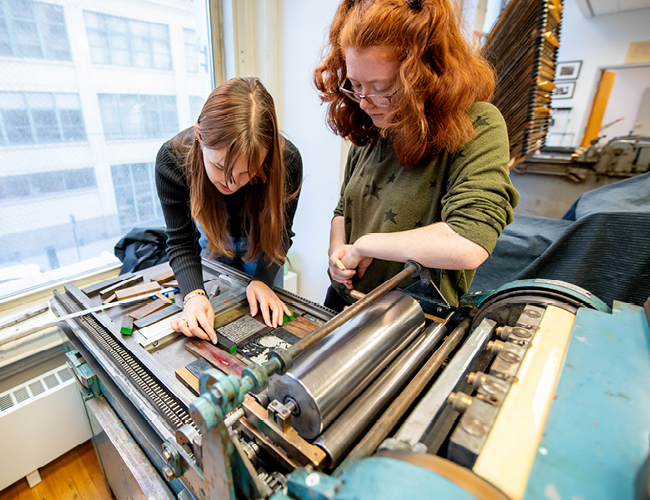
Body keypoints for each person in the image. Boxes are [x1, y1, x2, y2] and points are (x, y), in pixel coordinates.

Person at [314, 0, 520, 311]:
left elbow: (470, 241)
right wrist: (339, 252)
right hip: (345, 300)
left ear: (423, 77)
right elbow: (344, 208)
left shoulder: (478, 125)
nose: (365, 102)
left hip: (411, 319)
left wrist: (367, 245)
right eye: (355, 85)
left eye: (382, 87)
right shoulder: (370, 127)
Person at [155, 77, 303, 343]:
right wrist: (194, 296)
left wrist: (262, 280)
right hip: (212, 238)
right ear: (200, 138)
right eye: (220, 167)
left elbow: (281, 235)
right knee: (215, 320)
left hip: (263, 244)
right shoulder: (172, 160)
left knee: (264, 322)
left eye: (248, 172)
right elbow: (180, 241)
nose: (231, 183)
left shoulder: (288, 161)